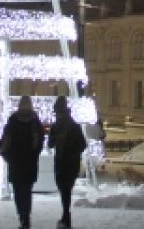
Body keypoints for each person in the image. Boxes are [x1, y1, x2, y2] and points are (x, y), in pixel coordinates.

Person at [0, 95, 43, 229]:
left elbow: (5, 141)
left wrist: (8, 157)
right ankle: (26, 217)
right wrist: (34, 155)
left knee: (18, 192)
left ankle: (22, 217)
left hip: (15, 162)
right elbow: (39, 143)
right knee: (27, 191)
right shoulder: (35, 121)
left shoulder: (13, 120)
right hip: (29, 162)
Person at [47, 96, 87, 228]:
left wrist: (70, 148)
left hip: (69, 162)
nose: (58, 115)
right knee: (63, 188)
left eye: (59, 112)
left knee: (65, 189)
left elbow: (82, 145)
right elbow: (50, 144)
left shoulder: (74, 127)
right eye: (57, 112)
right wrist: (55, 138)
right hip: (61, 161)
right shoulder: (57, 126)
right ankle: (65, 215)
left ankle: (66, 216)